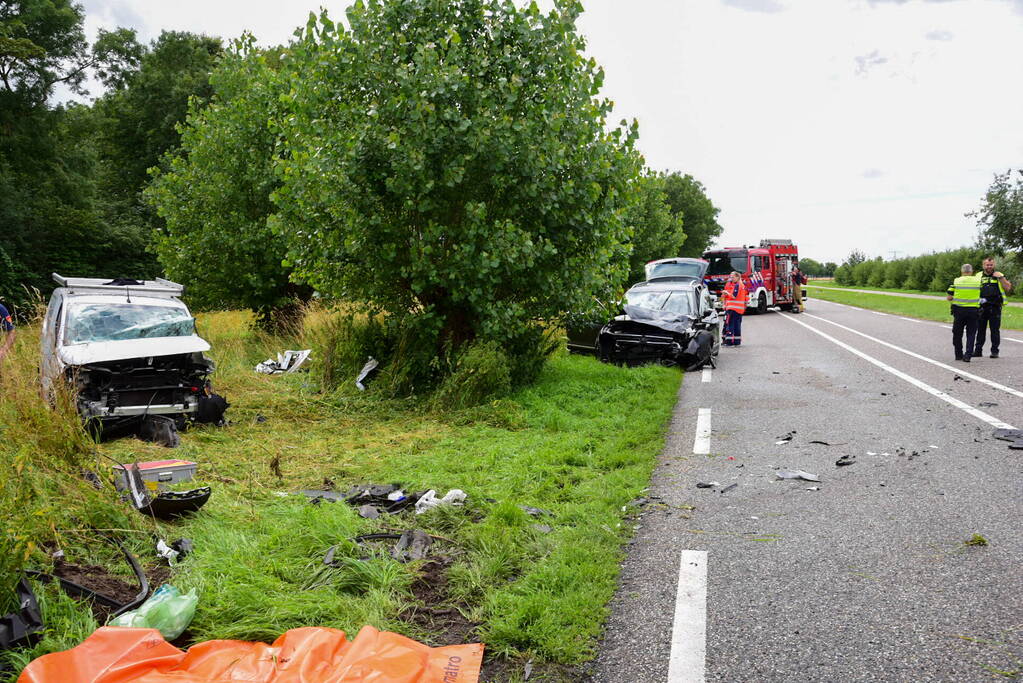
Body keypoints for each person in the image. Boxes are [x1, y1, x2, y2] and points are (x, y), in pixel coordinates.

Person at [973, 257, 1013, 359]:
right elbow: (973, 289)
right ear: (983, 265)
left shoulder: (999, 275)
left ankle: (995, 351)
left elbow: (1008, 288)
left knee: (995, 330)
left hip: (995, 307)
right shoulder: (978, 276)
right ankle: (978, 351)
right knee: (980, 330)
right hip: (981, 307)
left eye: (991, 265)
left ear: (994, 265)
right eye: (987, 265)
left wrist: (1001, 277)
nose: (989, 267)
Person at [946, 264, 982, 362]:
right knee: (971, 333)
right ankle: (968, 355)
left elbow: (949, 298)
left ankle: (958, 354)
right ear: (972, 271)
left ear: (962, 271)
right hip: (973, 311)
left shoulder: (956, 281)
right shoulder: (978, 281)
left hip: (959, 311)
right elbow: (982, 294)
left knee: (957, 333)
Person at [721, 271, 748, 346]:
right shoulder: (742, 285)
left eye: (732, 277)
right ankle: (737, 341)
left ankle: (729, 342)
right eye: (730, 277)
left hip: (733, 309)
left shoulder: (738, 285)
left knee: (730, 325)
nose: (731, 279)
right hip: (738, 309)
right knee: (737, 326)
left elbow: (734, 296)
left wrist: (727, 293)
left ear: (737, 277)